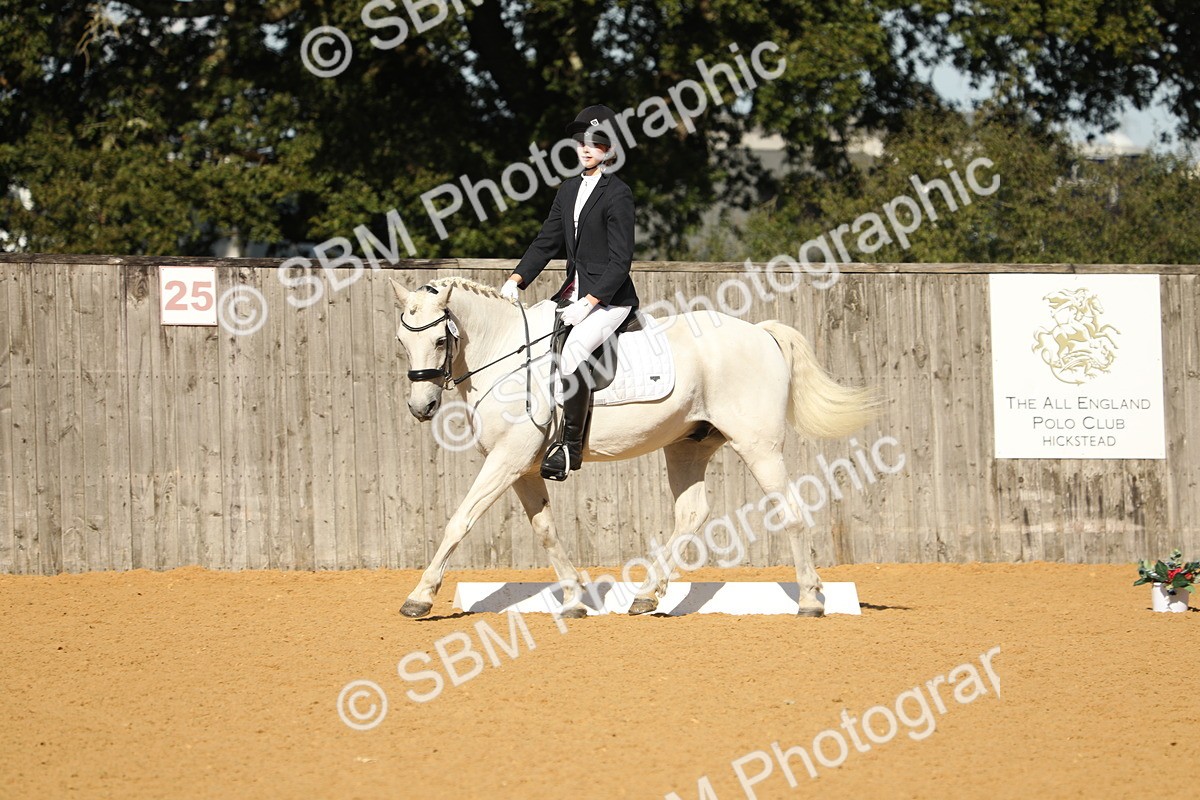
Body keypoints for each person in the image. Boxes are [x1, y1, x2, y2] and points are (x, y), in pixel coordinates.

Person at [500, 104, 640, 481]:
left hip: (610, 300)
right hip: (572, 294)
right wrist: (516, 279)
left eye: (597, 142)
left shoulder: (618, 194)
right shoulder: (569, 190)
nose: (587, 147)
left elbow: (620, 260)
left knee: (575, 349)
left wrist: (591, 302)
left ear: (609, 149)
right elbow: (546, 242)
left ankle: (569, 447)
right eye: (582, 141)